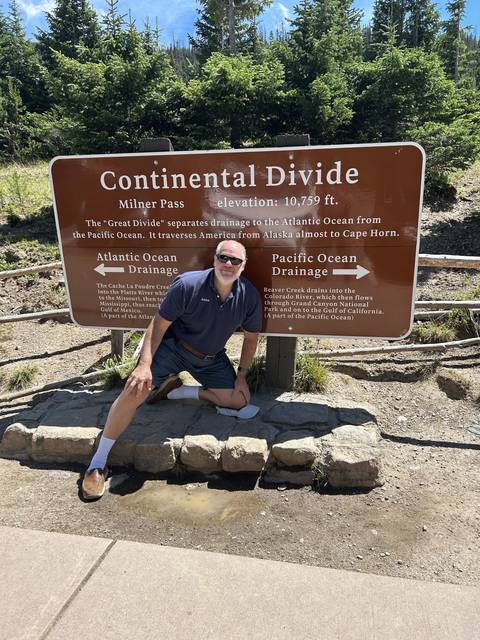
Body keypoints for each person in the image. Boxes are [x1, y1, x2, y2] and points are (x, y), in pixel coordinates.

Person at [81, 240, 262, 500]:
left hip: (211, 358)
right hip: (173, 348)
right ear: (214, 260)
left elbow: (251, 338)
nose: (228, 264)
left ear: (243, 266)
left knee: (239, 400)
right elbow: (158, 324)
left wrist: (242, 375)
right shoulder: (188, 284)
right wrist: (144, 365)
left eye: (235, 261)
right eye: (224, 258)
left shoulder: (249, 296)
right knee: (135, 389)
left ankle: (179, 392)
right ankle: (98, 463)